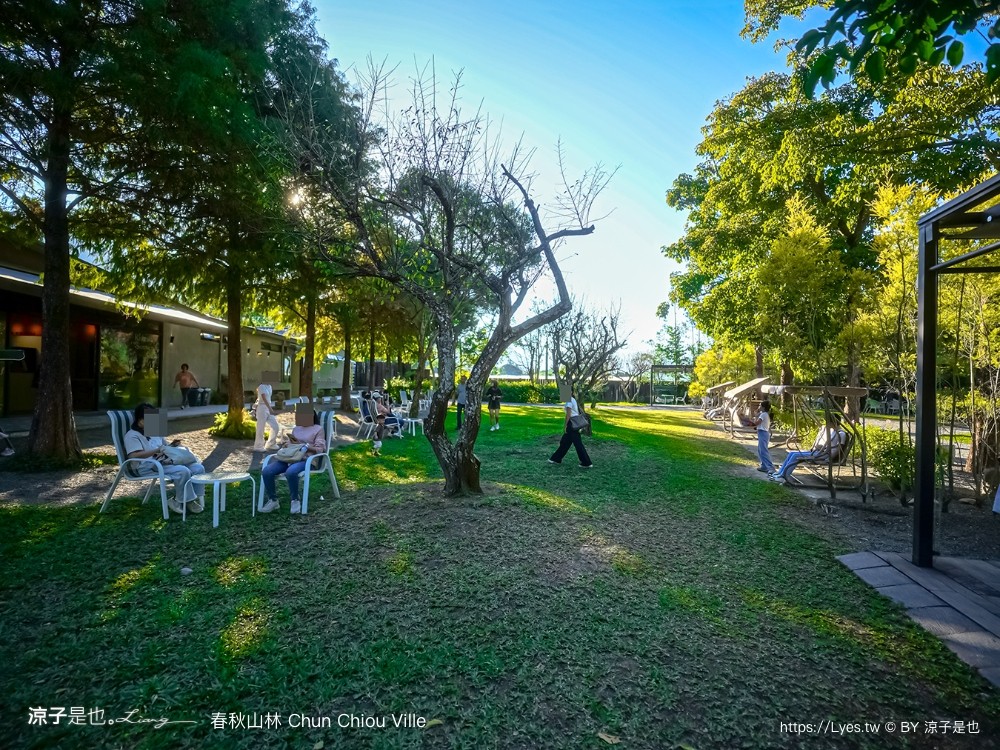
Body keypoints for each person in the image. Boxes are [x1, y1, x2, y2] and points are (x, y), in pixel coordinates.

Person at [124, 402, 205, 515]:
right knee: (182, 471)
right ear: (140, 420)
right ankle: (185, 501)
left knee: (198, 468)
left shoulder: (153, 430)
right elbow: (133, 456)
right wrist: (158, 450)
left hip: (163, 461)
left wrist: (172, 447)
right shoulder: (132, 435)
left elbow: (164, 446)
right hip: (147, 466)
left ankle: (192, 499)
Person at [260, 411, 326, 515]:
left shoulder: (318, 429)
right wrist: (287, 444)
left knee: (291, 472)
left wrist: (304, 446)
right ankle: (273, 500)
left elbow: (320, 449)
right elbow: (292, 444)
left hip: (306, 460)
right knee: (267, 471)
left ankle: (295, 500)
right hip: (290, 458)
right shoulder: (297, 428)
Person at [769, 415, 847, 484]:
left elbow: (838, 450)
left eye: (828, 422)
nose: (827, 424)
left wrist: (827, 459)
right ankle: (780, 473)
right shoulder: (833, 432)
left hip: (825, 456)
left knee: (795, 456)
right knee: (792, 453)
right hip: (821, 453)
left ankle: (783, 476)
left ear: (833, 422)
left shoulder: (841, 434)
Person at [548, 387, 593, 468]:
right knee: (565, 442)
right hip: (574, 423)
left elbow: (568, 415)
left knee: (577, 444)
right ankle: (556, 459)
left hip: (571, 423)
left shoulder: (569, 401)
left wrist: (565, 426)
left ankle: (586, 462)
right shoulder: (572, 399)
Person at [253, 383, 282, 451]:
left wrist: (269, 408)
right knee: (260, 428)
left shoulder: (270, 386)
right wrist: (270, 409)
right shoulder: (261, 386)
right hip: (262, 408)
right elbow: (264, 398)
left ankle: (270, 444)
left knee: (275, 426)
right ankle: (258, 446)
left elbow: (268, 399)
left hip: (268, 407)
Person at [752, 401, 774, 474]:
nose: (759, 407)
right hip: (762, 433)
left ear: (763, 407)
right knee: (760, 450)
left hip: (763, 433)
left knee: (763, 451)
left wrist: (755, 416)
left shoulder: (763, 414)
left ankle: (770, 467)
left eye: (760, 405)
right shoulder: (764, 414)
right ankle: (764, 466)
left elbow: (756, 423)